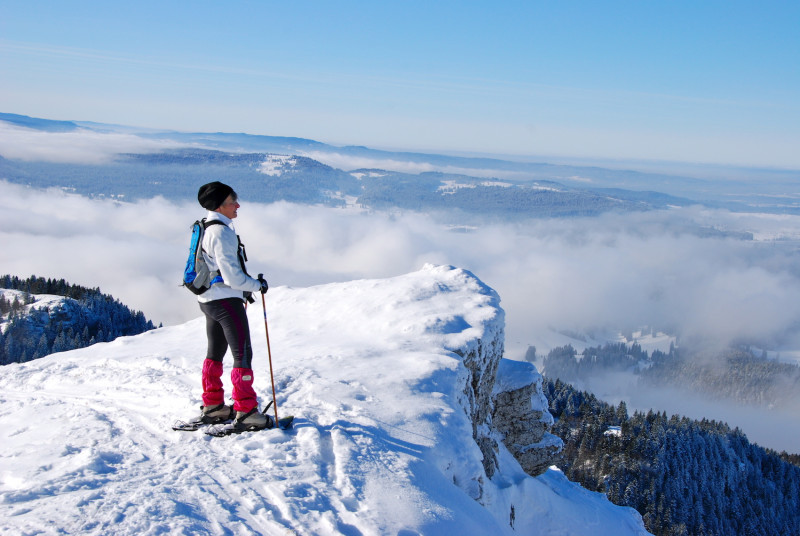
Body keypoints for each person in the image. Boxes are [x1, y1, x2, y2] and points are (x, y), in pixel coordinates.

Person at [194, 181, 270, 430]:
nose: (237, 205)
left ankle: (214, 405)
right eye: (232, 201)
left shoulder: (205, 226)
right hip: (226, 301)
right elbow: (233, 278)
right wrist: (256, 285)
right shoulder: (221, 232)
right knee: (242, 353)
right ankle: (246, 411)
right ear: (219, 206)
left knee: (214, 353)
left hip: (209, 300)